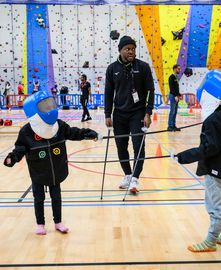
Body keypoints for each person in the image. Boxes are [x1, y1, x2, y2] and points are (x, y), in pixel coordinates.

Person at [3, 91, 99, 235]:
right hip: (38, 171)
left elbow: (73, 132)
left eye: (50, 104)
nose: (49, 109)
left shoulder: (58, 126)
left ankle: (58, 222)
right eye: (44, 106)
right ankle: (40, 224)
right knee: (39, 198)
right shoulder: (27, 132)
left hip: (56, 169)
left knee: (56, 197)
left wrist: (90, 134)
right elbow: (20, 148)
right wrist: (12, 158)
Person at [176, 70, 221, 252]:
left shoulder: (213, 119)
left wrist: (185, 156)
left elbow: (209, 148)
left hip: (215, 168)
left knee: (216, 207)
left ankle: (211, 241)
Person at [104, 36, 155, 193]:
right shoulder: (112, 69)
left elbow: (150, 91)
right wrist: (107, 114)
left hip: (138, 113)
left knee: (139, 146)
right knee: (121, 147)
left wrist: (148, 112)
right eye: (127, 48)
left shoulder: (143, 67)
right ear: (120, 50)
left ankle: (135, 179)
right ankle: (127, 174)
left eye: (133, 48)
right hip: (119, 114)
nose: (131, 51)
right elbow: (108, 93)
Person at [167, 64, 181, 131]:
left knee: (175, 112)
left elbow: (176, 88)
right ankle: (170, 126)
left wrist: (179, 95)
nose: (179, 70)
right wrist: (175, 95)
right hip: (173, 96)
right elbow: (171, 88)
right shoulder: (171, 77)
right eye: (178, 69)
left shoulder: (176, 77)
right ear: (175, 69)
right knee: (172, 111)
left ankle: (173, 125)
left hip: (176, 96)